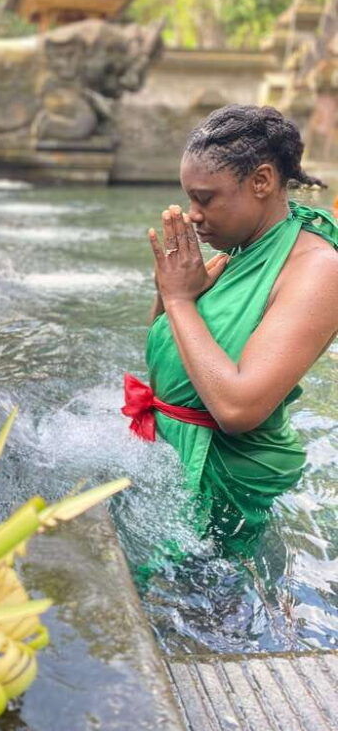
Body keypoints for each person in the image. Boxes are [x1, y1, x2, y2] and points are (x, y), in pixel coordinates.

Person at [122, 104, 338, 556]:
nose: (193, 215)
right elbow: (168, 352)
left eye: (205, 198)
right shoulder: (242, 249)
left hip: (235, 487)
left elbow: (238, 409)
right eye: (189, 199)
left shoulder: (318, 269)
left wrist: (181, 300)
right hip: (172, 458)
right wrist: (173, 295)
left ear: (261, 181)